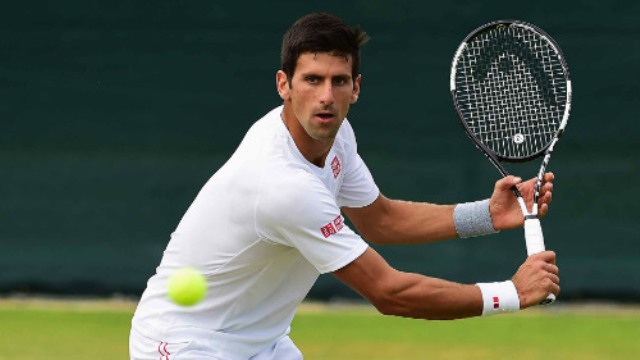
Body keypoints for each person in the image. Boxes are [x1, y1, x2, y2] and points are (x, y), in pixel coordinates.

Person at [129, 12, 559, 360]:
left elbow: (382, 219)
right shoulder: (283, 185)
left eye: (338, 81)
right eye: (312, 79)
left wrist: (486, 215)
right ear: (284, 85)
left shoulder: (337, 137)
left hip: (262, 341)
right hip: (184, 343)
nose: (325, 96)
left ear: (356, 89)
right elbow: (390, 294)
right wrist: (511, 293)